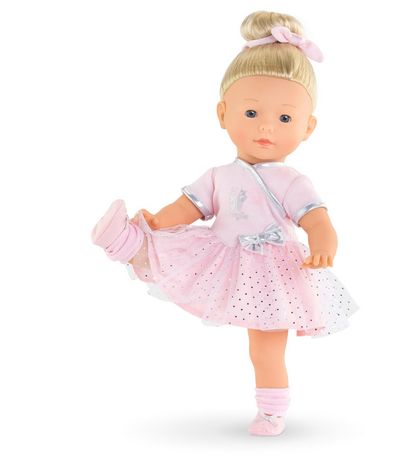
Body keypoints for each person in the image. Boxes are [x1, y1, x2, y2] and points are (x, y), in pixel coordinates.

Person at [91, 10, 359, 437]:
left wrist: (325, 241)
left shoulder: (292, 181)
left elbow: (316, 217)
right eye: (251, 112)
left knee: (265, 348)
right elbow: (188, 207)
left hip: (273, 272)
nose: (266, 126)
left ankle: (271, 411)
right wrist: (159, 220)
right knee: (167, 248)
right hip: (222, 258)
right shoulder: (219, 175)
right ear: (223, 113)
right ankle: (129, 242)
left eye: (285, 118)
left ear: (308, 127)